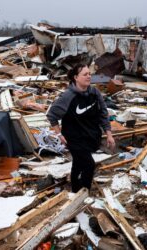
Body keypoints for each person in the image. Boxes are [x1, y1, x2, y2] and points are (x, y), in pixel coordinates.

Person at [46, 64, 115, 192]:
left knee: (78, 164)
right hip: (74, 138)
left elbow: (103, 113)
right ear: (76, 78)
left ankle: (75, 191)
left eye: (89, 74)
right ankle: (84, 193)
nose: (89, 76)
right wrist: (59, 135)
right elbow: (52, 115)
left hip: (91, 136)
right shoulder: (67, 97)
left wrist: (109, 134)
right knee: (89, 165)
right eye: (85, 74)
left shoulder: (94, 93)